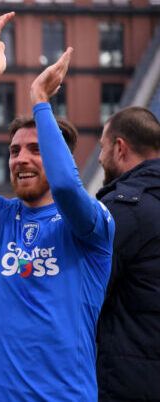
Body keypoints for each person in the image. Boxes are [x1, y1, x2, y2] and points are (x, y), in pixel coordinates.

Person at [0, 12, 114, 401]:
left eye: (35, 150)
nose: (20, 159)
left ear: (59, 155)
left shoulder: (91, 224)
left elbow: (66, 185)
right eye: (14, 151)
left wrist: (40, 100)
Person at [95, 106, 160, 401]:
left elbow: (86, 293)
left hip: (129, 381)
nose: (99, 157)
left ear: (120, 148)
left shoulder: (123, 210)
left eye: (102, 147)